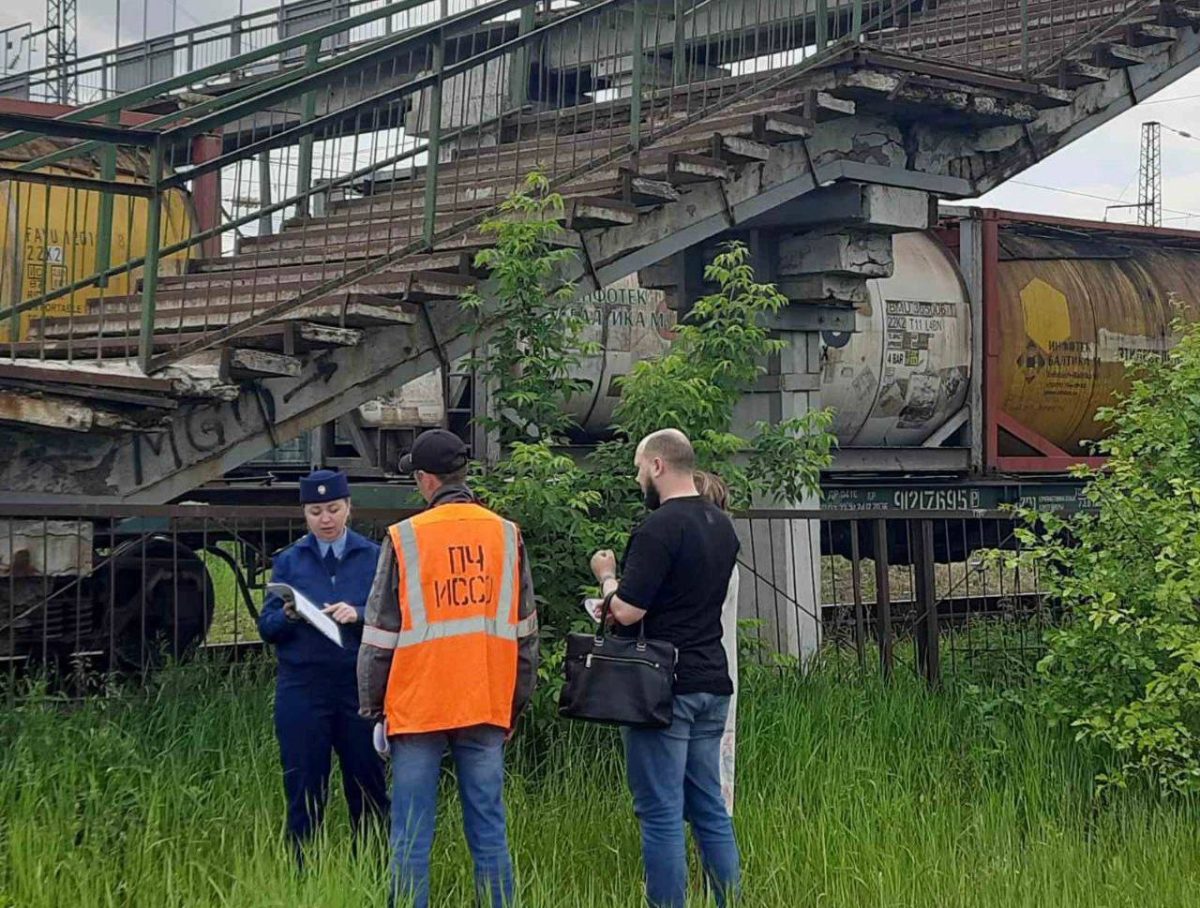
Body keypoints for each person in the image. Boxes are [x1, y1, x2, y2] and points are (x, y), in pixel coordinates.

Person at [358, 429, 539, 908]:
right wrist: (514, 707)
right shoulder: (505, 535)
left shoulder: (405, 538)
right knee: (489, 829)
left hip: (417, 709)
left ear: (424, 479)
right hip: (484, 704)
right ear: (463, 474)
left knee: (411, 834)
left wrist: (374, 709)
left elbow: (379, 637)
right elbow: (525, 636)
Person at [590, 429, 741, 908]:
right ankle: (728, 900)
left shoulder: (658, 528)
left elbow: (629, 611)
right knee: (710, 809)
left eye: (639, 469)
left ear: (657, 466)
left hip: (663, 688)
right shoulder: (722, 525)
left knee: (660, 812)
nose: (639, 479)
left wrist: (607, 578)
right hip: (712, 682)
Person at [257, 469, 389, 862]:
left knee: (367, 785)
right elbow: (267, 627)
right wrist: (289, 614)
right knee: (303, 785)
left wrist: (359, 613)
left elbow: (394, 614)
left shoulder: (374, 556)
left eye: (333, 509)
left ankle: (372, 868)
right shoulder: (290, 561)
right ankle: (304, 872)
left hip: (356, 688)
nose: (325, 519)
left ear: (349, 507)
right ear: (305, 515)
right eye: (316, 511)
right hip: (302, 688)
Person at [694, 470, 740, 817]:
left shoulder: (696, 559)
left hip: (693, 672)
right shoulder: (726, 557)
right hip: (722, 674)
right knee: (716, 773)